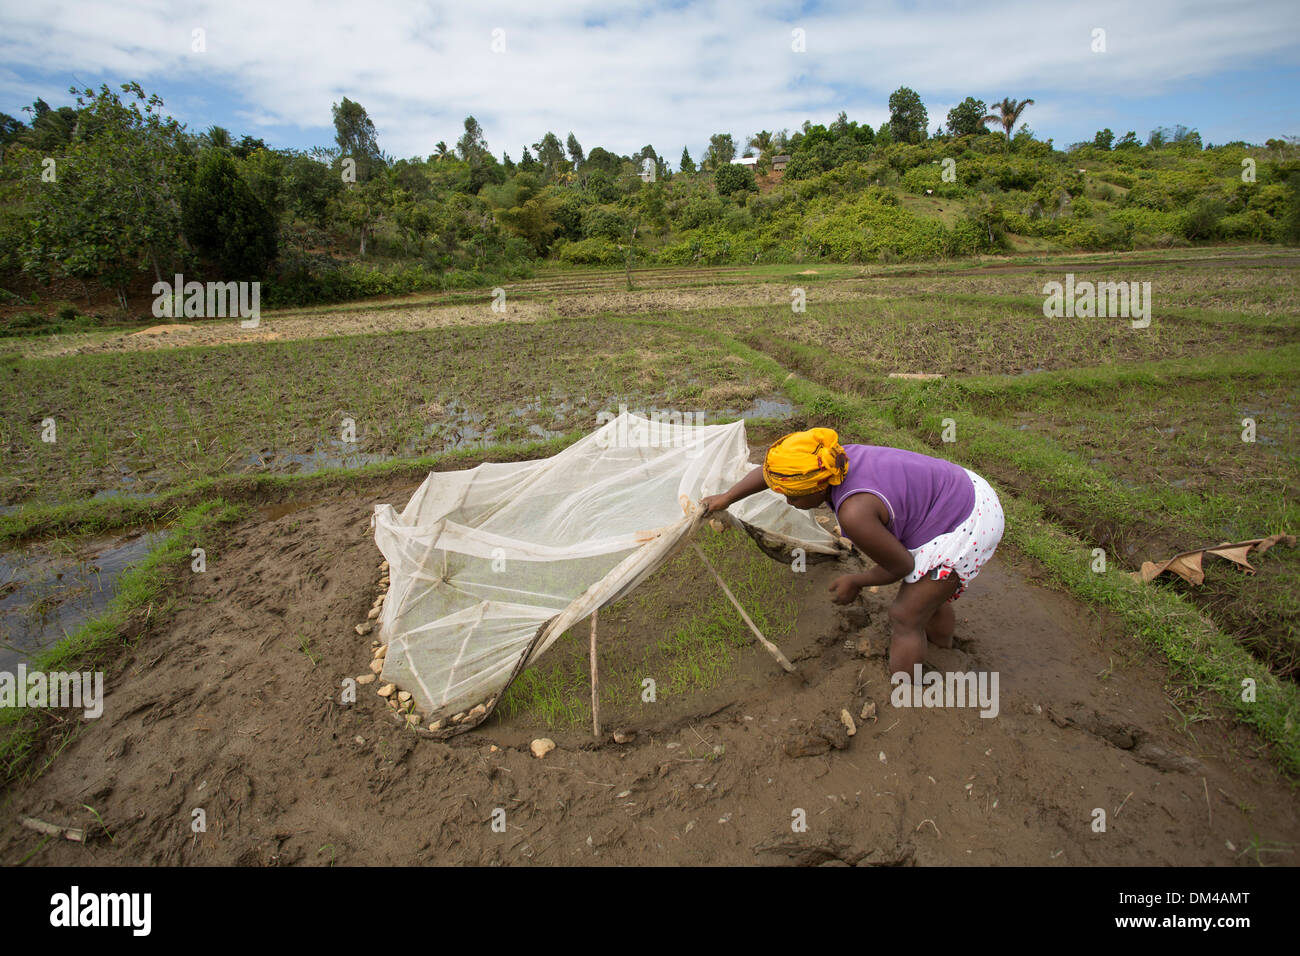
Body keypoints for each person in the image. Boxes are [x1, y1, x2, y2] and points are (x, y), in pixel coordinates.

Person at [701, 427, 1003, 680]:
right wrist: (726, 498)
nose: (789, 501)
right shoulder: (829, 459)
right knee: (928, 598)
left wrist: (856, 581)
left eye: (793, 495)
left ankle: (906, 694)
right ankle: (942, 647)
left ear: (819, 487)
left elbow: (901, 564)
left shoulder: (855, 513)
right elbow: (772, 474)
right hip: (961, 488)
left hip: (969, 522)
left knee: (906, 615)